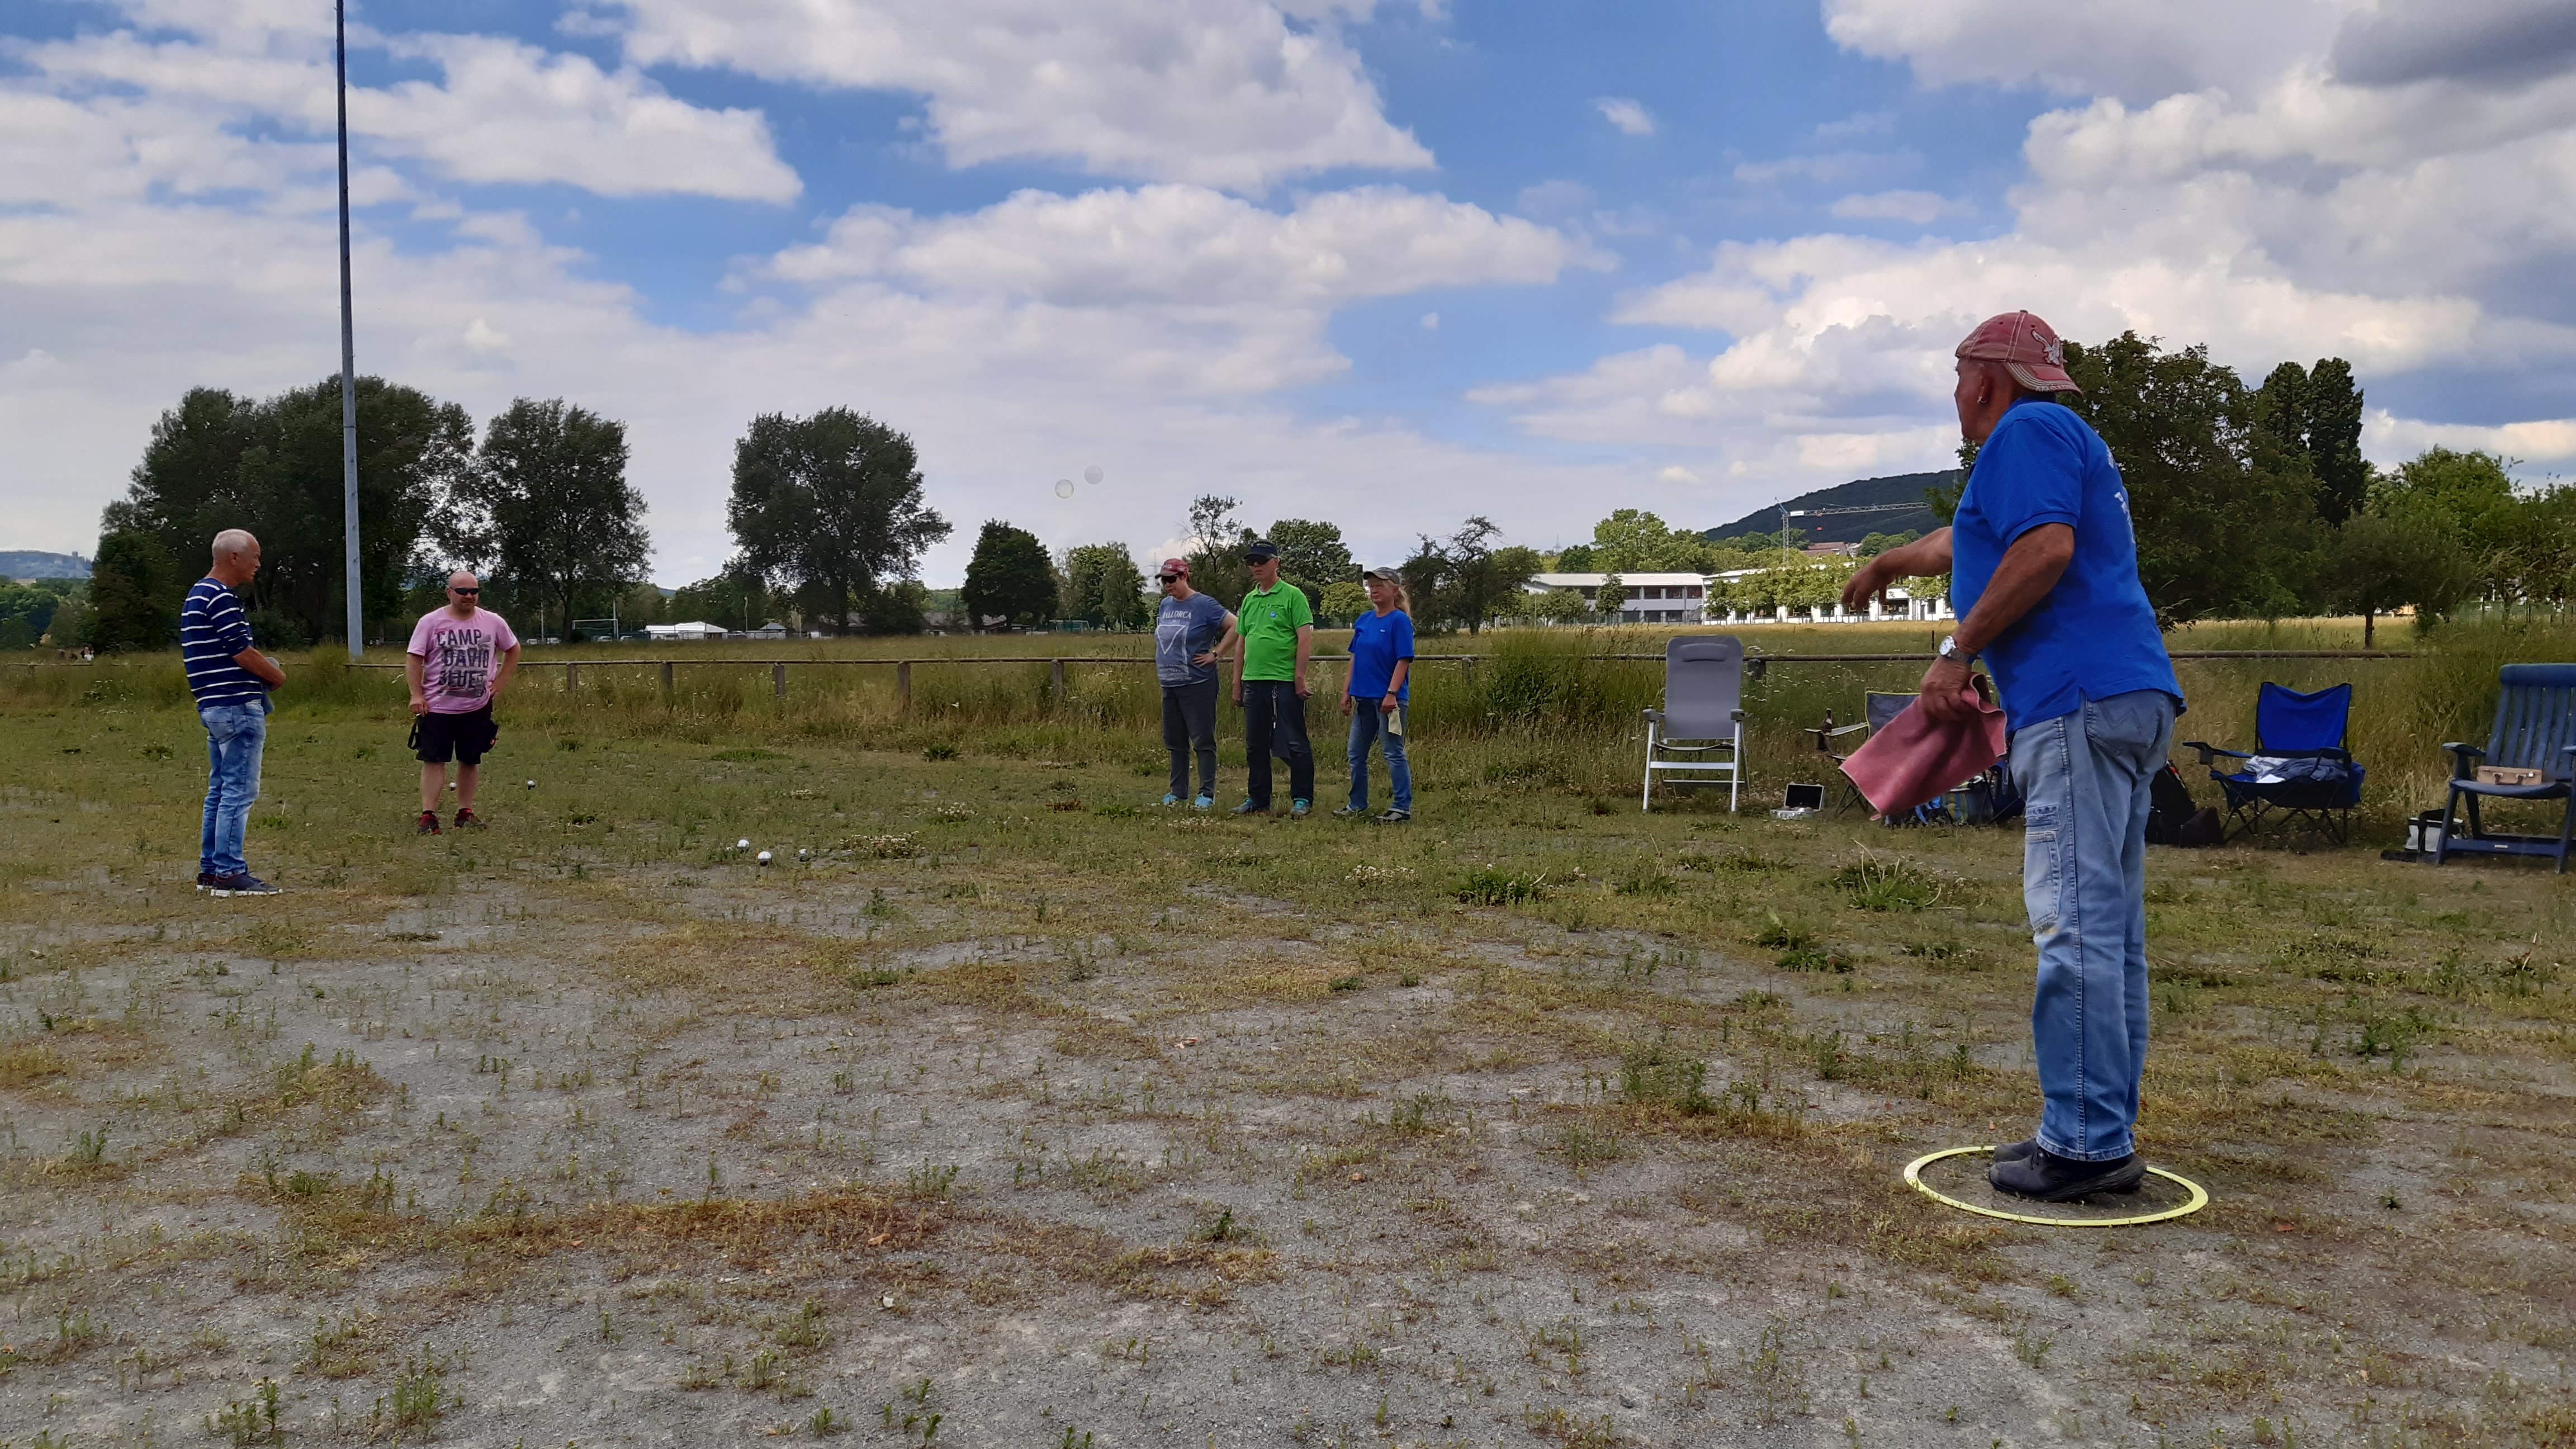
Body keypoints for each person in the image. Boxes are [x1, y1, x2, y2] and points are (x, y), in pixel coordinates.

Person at [1843, 310, 2183, 1203]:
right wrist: (1890, 563)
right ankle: (2098, 1127)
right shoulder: (2061, 439)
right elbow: (1971, 540)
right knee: (2109, 929)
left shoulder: (2025, 431)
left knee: (2072, 922)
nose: (1956, 394)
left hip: (2076, 702)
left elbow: (2043, 548)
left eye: (1958, 377)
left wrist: (1957, 652)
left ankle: (2083, 1144)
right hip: (2129, 696)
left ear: (1985, 380)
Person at [183, 530, 286, 896]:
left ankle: (211, 870)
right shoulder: (221, 598)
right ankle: (230, 873)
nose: (259, 563)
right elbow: (243, 652)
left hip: (213, 705)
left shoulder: (198, 594)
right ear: (234, 558)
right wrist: (276, 676)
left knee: (220, 789)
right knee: (239, 791)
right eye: (255, 556)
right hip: (236, 706)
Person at [406, 571, 520, 834]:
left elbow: (513, 649)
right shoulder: (430, 622)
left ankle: (465, 813)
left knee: (470, 759)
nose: (469, 596)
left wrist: (500, 682)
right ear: (449, 593)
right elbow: (414, 659)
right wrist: (416, 695)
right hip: (437, 706)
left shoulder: (493, 622)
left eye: (474, 591)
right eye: (462, 592)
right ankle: (429, 815)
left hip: (477, 706)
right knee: (434, 760)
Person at [1231, 539, 1314, 817]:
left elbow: (1305, 638)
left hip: (1284, 680)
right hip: (1254, 680)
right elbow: (1241, 643)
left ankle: (1302, 798)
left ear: (1276, 563)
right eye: (1251, 562)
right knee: (1255, 743)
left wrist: (1299, 676)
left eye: (1262, 561)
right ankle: (1258, 799)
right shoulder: (1250, 600)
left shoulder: (1293, 596)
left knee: (1294, 741)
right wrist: (1237, 682)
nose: (1256, 566)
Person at [1152, 557, 1237, 808]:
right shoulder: (1165, 605)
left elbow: (1235, 625)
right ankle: (1178, 792)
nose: (1168, 585)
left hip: (1198, 683)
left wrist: (1216, 654)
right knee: (1175, 740)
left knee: (1202, 739)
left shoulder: (1204, 604)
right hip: (1170, 683)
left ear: (1184, 577)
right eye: (1164, 581)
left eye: (1172, 580)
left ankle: (1206, 793)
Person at [1335, 566, 1414, 822]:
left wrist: (1392, 694)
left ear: (1395, 590)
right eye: (1371, 586)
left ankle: (1402, 807)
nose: (1374, 590)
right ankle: (1357, 803)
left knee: (1393, 752)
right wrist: (1347, 691)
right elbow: (1355, 658)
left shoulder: (1399, 621)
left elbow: (1404, 659)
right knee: (1356, 754)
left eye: (1380, 585)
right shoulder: (1364, 620)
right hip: (1363, 698)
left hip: (1388, 700)